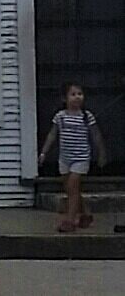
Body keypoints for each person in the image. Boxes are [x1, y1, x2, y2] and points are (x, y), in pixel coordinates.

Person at [40, 82, 106, 231]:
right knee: (71, 190)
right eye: (73, 94)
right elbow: (52, 135)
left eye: (80, 94)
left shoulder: (86, 116)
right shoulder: (60, 117)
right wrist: (44, 152)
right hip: (65, 158)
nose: (77, 98)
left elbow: (96, 135)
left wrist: (101, 153)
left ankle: (69, 221)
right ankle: (86, 214)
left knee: (72, 186)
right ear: (65, 98)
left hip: (81, 158)